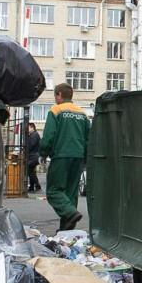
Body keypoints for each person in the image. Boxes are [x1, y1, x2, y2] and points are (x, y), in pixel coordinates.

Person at [40, 83, 90, 231]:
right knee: (70, 193)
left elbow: (49, 135)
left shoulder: (56, 110)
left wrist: (43, 152)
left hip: (61, 155)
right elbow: (89, 138)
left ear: (59, 95)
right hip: (78, 157)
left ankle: (70, 213)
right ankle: (66, 231)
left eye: (56, 96)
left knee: (54, 191)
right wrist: (85, 157)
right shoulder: (82, 114)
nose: (55, 99)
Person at [26, 122, 42, 193]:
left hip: (34, 156)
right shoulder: (32, 135)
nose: (27, 129)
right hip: (33, 156)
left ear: (32, 128)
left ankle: (37, 185)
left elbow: (31, 145)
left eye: (28, 128)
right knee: (31, 171)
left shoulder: (34, 135)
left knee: (30, 170)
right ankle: (32, 187)